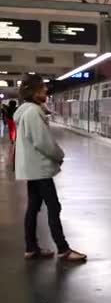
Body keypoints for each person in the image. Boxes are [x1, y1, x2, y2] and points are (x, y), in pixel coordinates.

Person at [13, 74, 87, 262]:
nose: (46, 90)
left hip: (32, 168)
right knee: (54, 206)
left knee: (34, 207)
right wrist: (59, 155)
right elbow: (43, 142)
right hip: (39, 168)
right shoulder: (32, 112)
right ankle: (63, 249)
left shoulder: (27, 111)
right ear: (33, 92)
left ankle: (31, 247)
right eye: (41, 88)